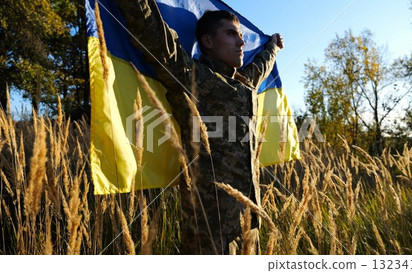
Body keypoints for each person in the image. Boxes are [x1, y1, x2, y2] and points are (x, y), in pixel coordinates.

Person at [113, 0, 284, 254]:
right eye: (231, 34)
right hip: (210, 230)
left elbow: (261, 65)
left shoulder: (245, 85)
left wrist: (273, 47)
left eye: (241, 36)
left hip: (250, 224)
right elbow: (154, 33)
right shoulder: (190, 76)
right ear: (207, 41)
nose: (241, 42)